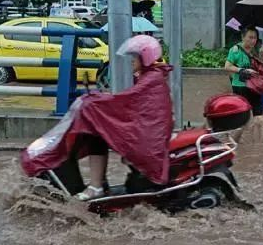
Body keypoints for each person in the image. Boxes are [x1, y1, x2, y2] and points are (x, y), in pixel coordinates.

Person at [21, 35, 173, 201]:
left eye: (135, 57)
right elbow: (129, 103)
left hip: (146, 138)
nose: (131, 61)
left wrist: (95, 102)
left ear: (145, 58)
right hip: (145, 134)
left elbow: (128, 102)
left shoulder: (151, 79)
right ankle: (99, 183)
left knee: (97, 134)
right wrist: (101, 100)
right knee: (97, 134)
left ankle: (96, 187)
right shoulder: (151, 76)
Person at [224, 25, 263, 143]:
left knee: (259, 120)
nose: (253, 40)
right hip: (240, 87)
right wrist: (242, 70)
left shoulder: (258, 50)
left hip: (256, 88)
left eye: (255, 38)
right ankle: (232, 141)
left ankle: (258, 148)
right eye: (250, 37)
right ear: (243, 37)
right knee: (243, 120)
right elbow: (227, 67)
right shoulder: (235, 50)